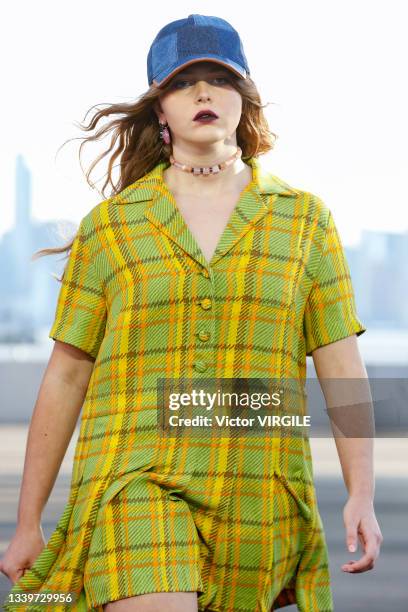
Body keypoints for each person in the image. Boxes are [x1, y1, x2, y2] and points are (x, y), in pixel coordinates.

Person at [0, 13, 383, 612]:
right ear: (160, 109)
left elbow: (341, 365)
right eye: (183, 82)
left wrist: (363, 492)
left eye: (219, 79)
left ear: (243, 100)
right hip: (135, 473)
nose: (202, 93)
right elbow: (67, 373)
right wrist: (29, 521)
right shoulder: (112, 228)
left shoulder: (306, 221)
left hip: (258, 488)